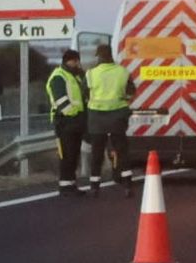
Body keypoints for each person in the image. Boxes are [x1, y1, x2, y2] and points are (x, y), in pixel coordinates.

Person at [85, 43, 134, 196]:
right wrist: (123, 99)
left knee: (97, 153)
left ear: (99, 57)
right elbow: (131, 92)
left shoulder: (91, 73)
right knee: (122, 151)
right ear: (111, 55)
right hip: (118, 115)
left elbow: (85, 94)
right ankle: (127, 185)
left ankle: (94, 186)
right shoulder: (123, 72)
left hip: (97, 117)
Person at [45, 49, 88, 196]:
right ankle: (64, 185)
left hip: (76, 121)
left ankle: (71, 184)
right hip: (64, 121)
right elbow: (61, 101)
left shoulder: (75, 76)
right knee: (67, 155)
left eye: (78, 61)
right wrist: (75, 115)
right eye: (75, 61)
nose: (77, 63)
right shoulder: (59, 76)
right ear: (67, 61)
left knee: (74, 154)